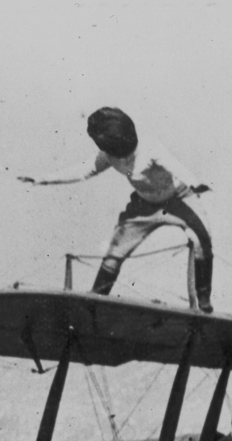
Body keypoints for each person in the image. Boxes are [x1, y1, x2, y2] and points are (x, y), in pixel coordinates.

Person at [17, 107, 215, 313]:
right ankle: (95, 302)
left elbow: (174, 165)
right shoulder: (109, 156)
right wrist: (43, 179)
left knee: (202, 239)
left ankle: (204, 301)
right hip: (143, 207)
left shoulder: (150, 147)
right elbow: (84, 170)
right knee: (114, 253)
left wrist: (195, 183)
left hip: (179, 199)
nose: (124, 161)